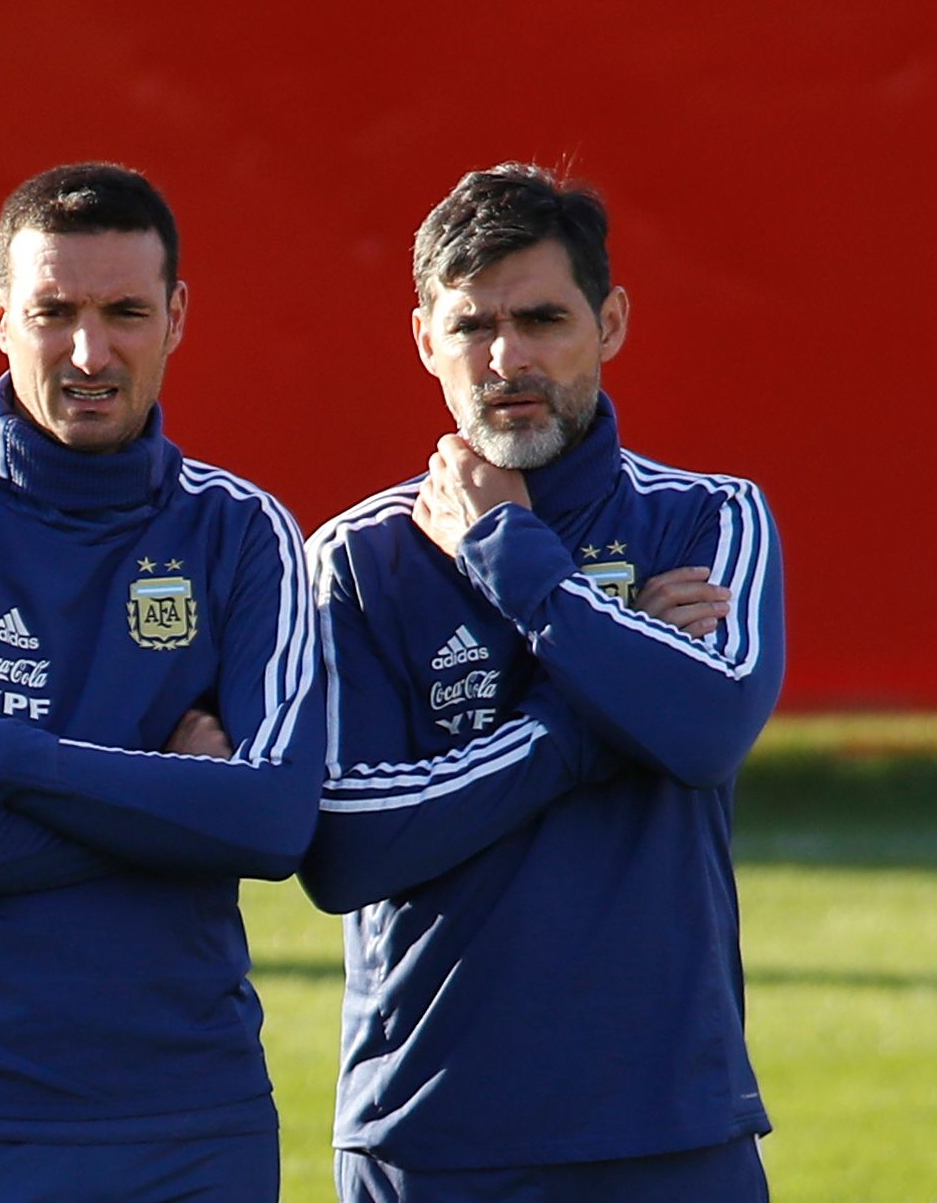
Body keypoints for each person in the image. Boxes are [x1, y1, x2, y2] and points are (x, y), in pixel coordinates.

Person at [0, 162, 323, 1203]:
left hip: (191, 1125)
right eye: (54, 312)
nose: (91, 352)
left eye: (125, 311)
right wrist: (168, 802)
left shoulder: (242, 532)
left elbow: (271, 824)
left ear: (176, 316)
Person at [299, 162, 785, 1201]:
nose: (507, 359)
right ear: (425, 338)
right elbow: (345, 844)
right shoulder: (354, 561)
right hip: (430, 1132)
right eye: (473, 326)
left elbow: (703, 730)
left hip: (669, 1123)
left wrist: (516, 563)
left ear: (609, 323)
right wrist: (592, 708)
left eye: (543, 318)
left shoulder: (707, 521)